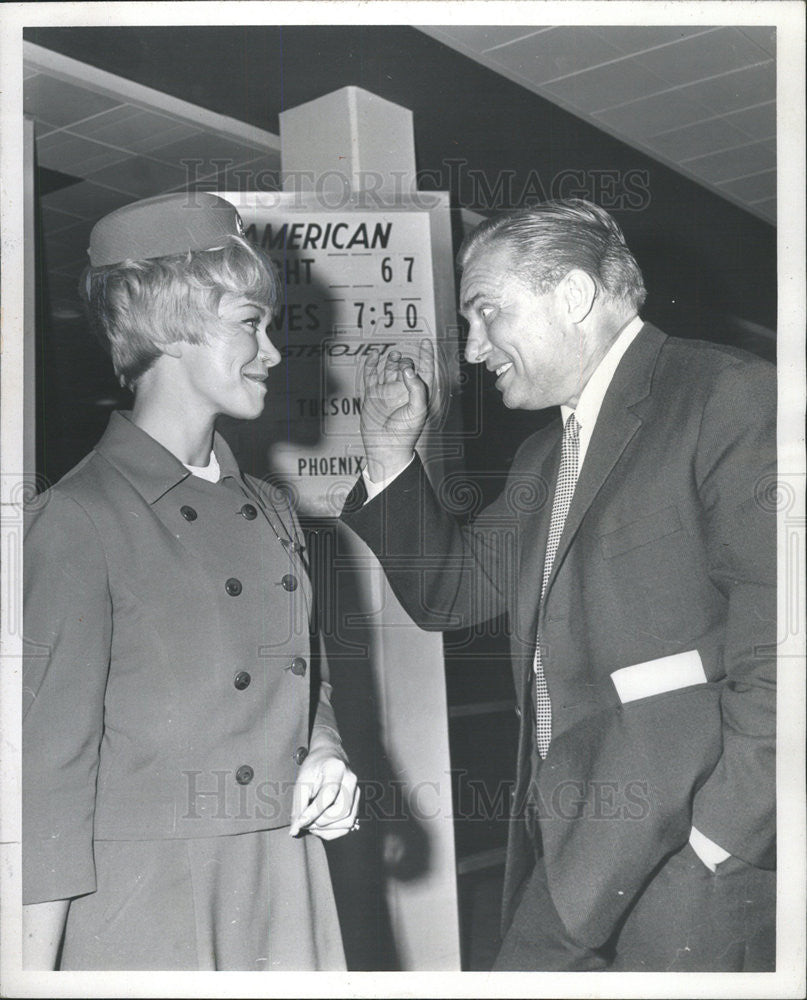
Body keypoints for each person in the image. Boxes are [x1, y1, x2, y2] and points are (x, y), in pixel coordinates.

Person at [341, 199, 776, 971]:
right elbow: (451, 593)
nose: (472, 349)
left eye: (485, 313)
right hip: (576, 843)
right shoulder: (545, 455)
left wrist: (721, 843)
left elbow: (785, 654)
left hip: (692, 855)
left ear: (571, 296)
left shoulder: (730, 397)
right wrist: (386, 449)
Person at [23, 192, 359, 971]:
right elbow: (46, 780)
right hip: (152, 908)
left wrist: (325, 750)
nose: (273, 351)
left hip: (283, 878)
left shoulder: (270, 509)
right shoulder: (76, 518)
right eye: (251, 322)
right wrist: (29, 980)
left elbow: (307, 680)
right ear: (170, 325)